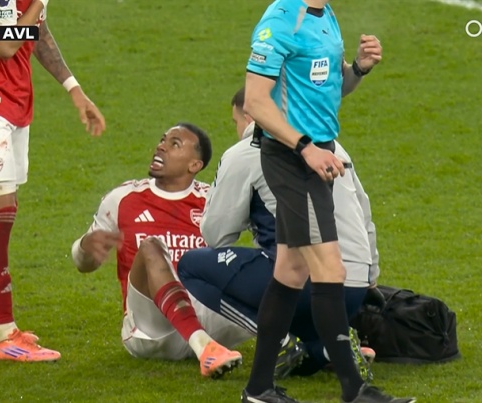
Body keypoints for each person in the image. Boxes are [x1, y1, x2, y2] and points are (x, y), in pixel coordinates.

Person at [240, 1, 414, 402]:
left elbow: (330, 88)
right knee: (330, 269)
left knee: (291, 270)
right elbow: (255, 102)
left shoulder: (325, 13)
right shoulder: (281, 20)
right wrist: (305, 148)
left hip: (316, 154)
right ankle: (354, 390)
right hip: (292, 159)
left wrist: (358, 69)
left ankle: (258, 389)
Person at [177, 88, 382, 381]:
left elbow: (216, 235)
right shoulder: (333, 146)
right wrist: (370, 279)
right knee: (300, 341)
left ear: (250, 114)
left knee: (192, 266)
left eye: (236, 121)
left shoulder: (248, 150)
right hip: (354, 291)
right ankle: (328, 348)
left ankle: (280, 341)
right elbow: (364, 213)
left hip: (307, 286)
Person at [0, 0, 106, 362]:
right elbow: (5, 45)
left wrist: (74, 89)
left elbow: (37, 29)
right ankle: (3, 334)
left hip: (12, 100)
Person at [70, 124, 250, 378]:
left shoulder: (211, 200)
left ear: (194, 165)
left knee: (274, 269)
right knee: (151, 248)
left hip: (203, 314)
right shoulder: (123, 198)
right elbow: (83, 264)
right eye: (163, 140)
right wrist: (84, 247)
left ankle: (307, 348)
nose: (161, 146)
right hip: (150, 328)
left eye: (174, 144)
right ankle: (204, 346)